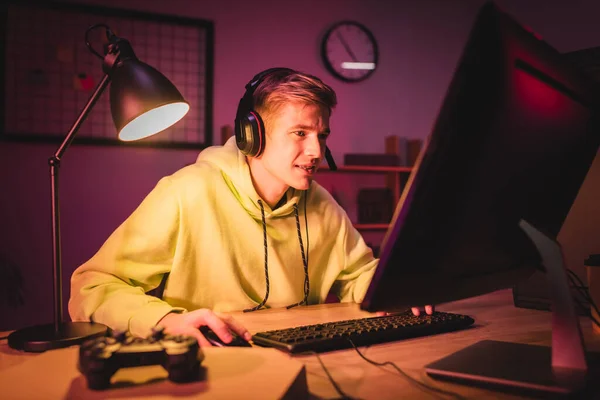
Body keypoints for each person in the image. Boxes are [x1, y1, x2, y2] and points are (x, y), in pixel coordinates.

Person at [69, 68, 432, 347]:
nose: (317, 152)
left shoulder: (320, 203)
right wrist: (163, 320)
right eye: (300, 133)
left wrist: (399, 291)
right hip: (216, 363)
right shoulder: (186, 192)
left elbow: (359, 274)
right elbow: (93, 285)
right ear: (252, 134)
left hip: (303, 359)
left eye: (322, 136)